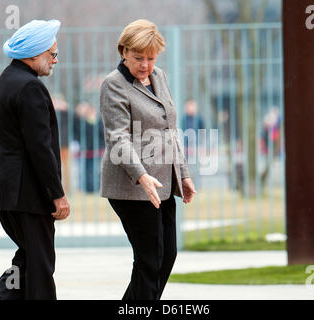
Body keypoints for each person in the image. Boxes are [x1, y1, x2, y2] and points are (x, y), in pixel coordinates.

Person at [99, 19, 196, 300]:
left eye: (151, 58)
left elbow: (169, 130)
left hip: (163, 183)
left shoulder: (159, 77)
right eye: (139, 57)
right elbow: (118, 137)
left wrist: (184, 175)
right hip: (132, 187)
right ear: (124, 51)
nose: (145, 65)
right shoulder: (113, 85)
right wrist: (142, 176)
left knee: (167, 257)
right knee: (150, 259)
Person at [0, 19, 70, 300]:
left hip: (8, 193)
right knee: (40, 268)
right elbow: (40, 149)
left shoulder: (3, 82)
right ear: (35, 53)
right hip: (28, 196)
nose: (55, 61)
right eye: (52, 54)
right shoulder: (29, 88)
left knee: (26, 263)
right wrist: (57, 195)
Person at [73, 101, 105, 193]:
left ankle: (96, 187)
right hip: (85, 151)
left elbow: (102, 134)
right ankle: (88, 188)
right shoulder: (81, 121)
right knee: (85, 170)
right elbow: (77, 132)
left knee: (94, 170)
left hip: (96, 151)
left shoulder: (98, 121)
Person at [52, 93, 71, 193]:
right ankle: (60, 188)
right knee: (57, 166)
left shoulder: (65, 112)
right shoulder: (54, 111)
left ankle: (66, 188)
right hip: (57, 142)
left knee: (65, 166)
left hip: (63, 142)